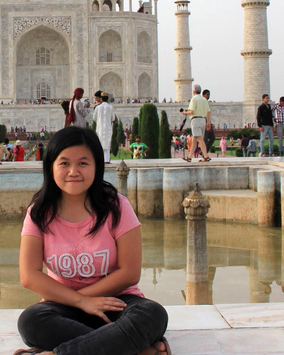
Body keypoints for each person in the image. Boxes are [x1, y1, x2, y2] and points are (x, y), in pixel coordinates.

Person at [16, 126, 169, 355]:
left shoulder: (116, 206)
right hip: (65, 304)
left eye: (83, 163)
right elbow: (29, 276)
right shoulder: (39, 213)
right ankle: (133, 349)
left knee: (151, 315)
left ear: (97, 166)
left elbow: (129, 273)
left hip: (117, 302)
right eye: (64, 163)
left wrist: (85, 299)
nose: (74, 171)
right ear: (51, 167)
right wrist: (79, 302)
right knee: (31, 321)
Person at [182, 84, 211, 162]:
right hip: (203, 121)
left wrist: (185, 112)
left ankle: (206, 156)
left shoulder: (194, 99)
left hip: (196, 120)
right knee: (194, 139)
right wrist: (208, 122)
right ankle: (189, 157)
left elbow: (191, 111)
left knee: (199, 139)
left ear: (193, 91)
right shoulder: (204, 100)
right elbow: (208, 112)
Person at [93, 91, 117, 163]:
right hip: (108, 128)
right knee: (107, 143)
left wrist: (99, 121)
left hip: (100, 128)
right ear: (107, 99)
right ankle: (106, 160)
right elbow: (113, 118)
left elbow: (94, 118)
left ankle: (101, 159)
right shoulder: (110, 107)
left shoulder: (98, 107)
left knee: (100, 143)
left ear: (101, 99)